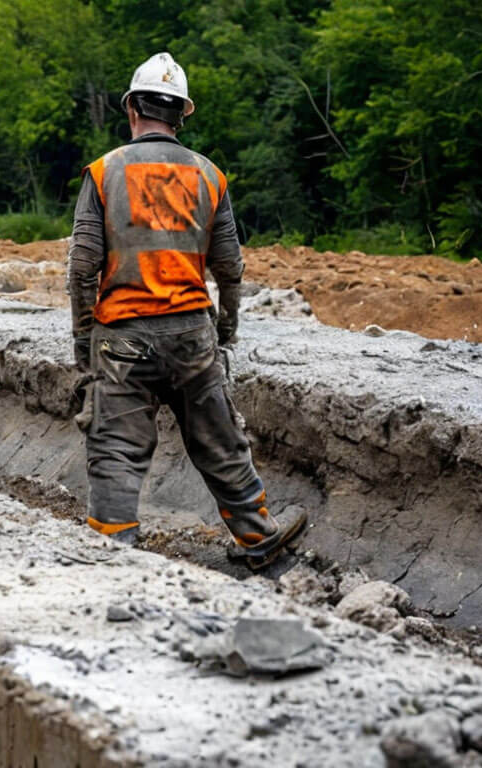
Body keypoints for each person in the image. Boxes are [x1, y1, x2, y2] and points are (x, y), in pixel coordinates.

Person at [67, 52, 306, 567]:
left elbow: (82, 267)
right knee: (220, 440)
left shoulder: (104, 171)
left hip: (122, 337)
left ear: (132, 109)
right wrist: (225, 330)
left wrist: (83, 339)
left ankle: (112, 545)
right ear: (181, 115)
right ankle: (257, 537)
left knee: (115, 447)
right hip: (193, 334)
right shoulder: (210, 175)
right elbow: (230, 266)